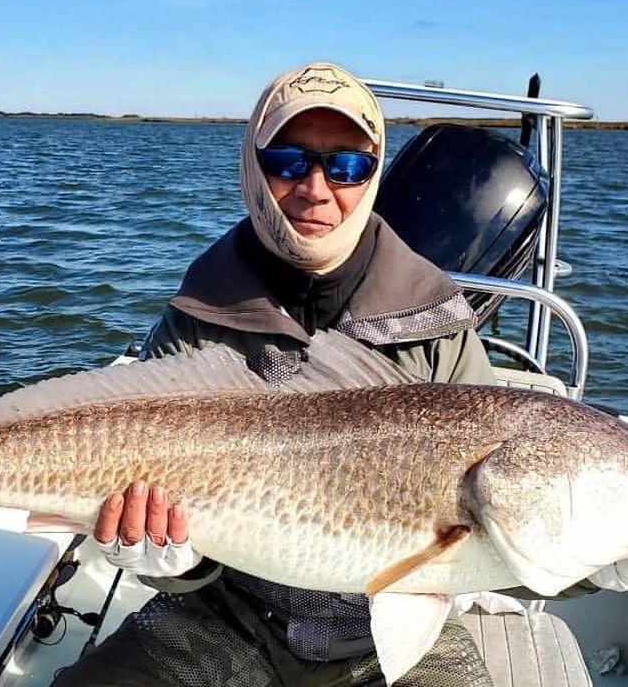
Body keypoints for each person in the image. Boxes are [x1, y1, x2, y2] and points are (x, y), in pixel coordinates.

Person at [54, 62, 497, 687]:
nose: (317, 189)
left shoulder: (440, 325)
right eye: (289, 161)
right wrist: (163, 560)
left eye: (347, 166)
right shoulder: (195, 318)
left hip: (393, 625)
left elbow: (513, 521)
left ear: (374, 175)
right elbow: (171, 549)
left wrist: (604, 560)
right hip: (227, 611)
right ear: (252, 165)